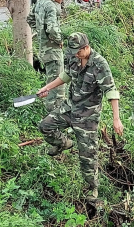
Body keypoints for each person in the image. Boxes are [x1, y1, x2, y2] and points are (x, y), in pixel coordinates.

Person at [37, 32, 124, 204]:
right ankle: (64, 143)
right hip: (70, 107)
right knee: (45, 125)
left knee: (88, 156)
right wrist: (47, 87)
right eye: (73, 51)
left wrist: (116, 119)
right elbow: (66, 76)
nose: (75, 54)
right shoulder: (74, 57)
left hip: (88, 117)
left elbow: (111, 91)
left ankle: (93, 188)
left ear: (86, 47)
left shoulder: (99, 64)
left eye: (78, 51)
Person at [27, 0, 68, 112]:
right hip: (53, 51)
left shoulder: (40, 2)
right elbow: (52, 29)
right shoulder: (51, 6)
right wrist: (59, 40)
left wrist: (40, 32)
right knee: (57, 85)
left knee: (51, 81)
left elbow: (30, 19)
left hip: (44, 49)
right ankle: (54, 113)